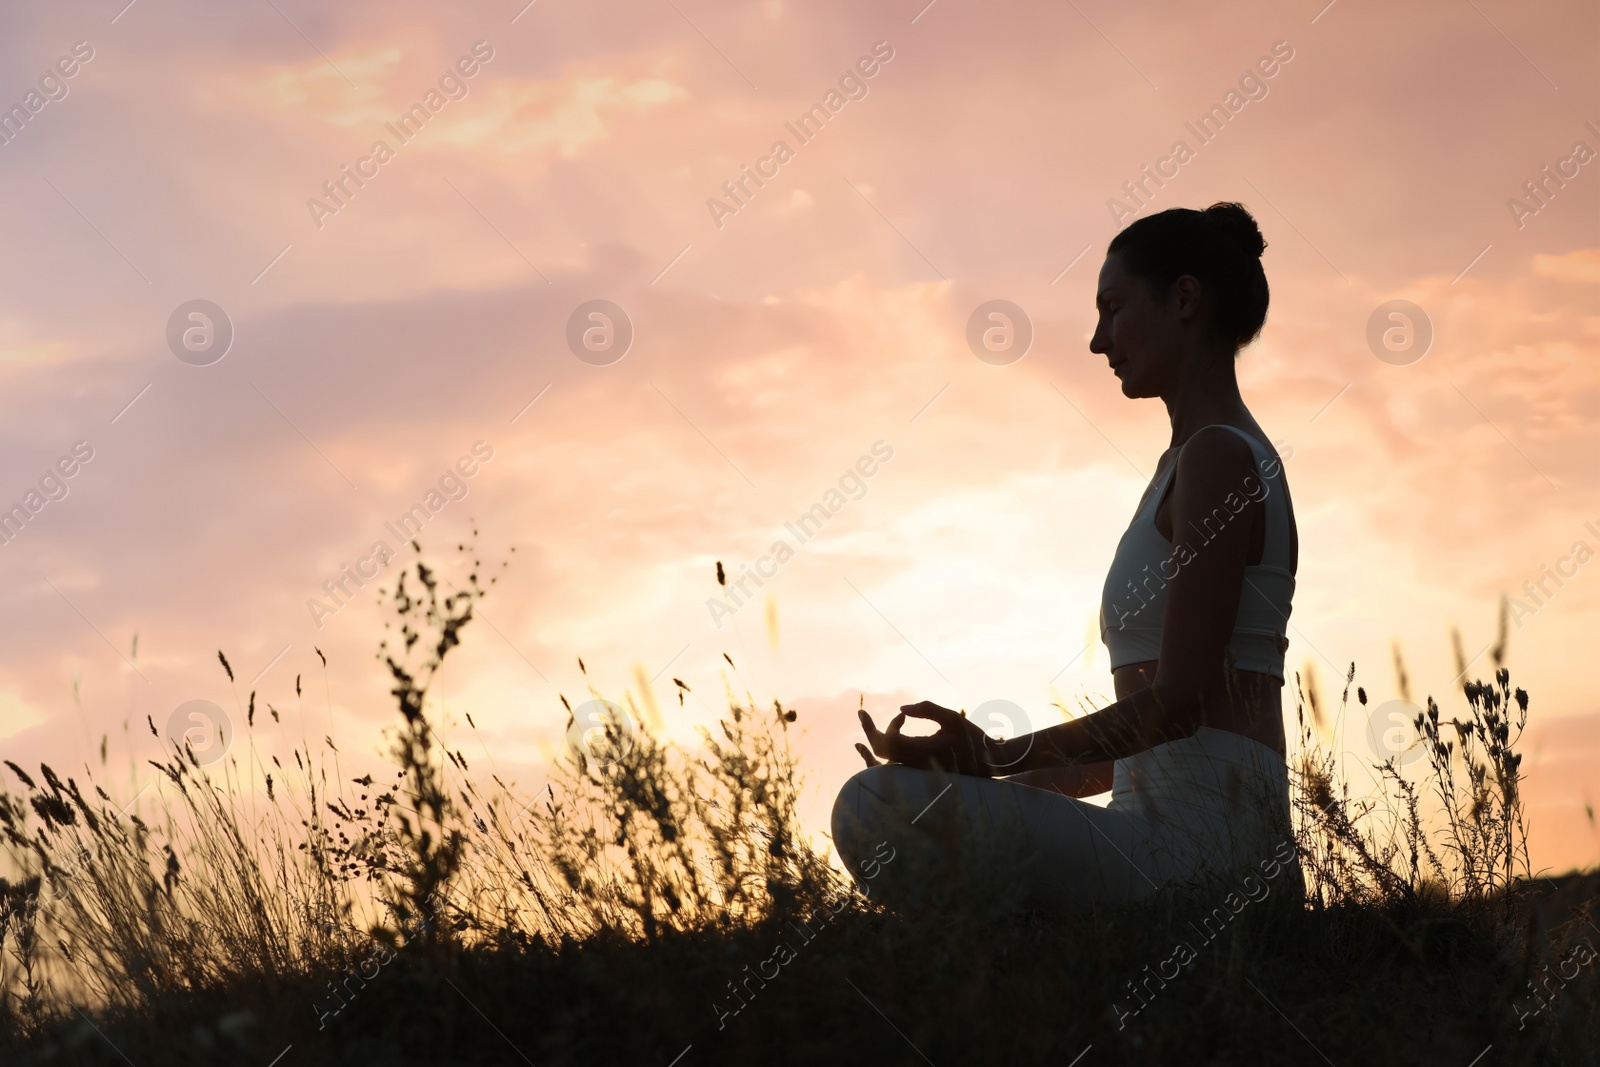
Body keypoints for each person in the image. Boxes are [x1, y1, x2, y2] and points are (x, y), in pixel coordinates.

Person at [831, 202, 1305, 914]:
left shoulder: (1219, 457)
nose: (1096, 339)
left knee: (873, 803)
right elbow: (1134, 753)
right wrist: (986, 777)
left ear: (1184, 299)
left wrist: (993, 754)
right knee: (928, 806)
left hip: (1211, 849)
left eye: (1113, 309)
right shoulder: (1187, 461)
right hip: (1161, 832)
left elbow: (1180, 702)